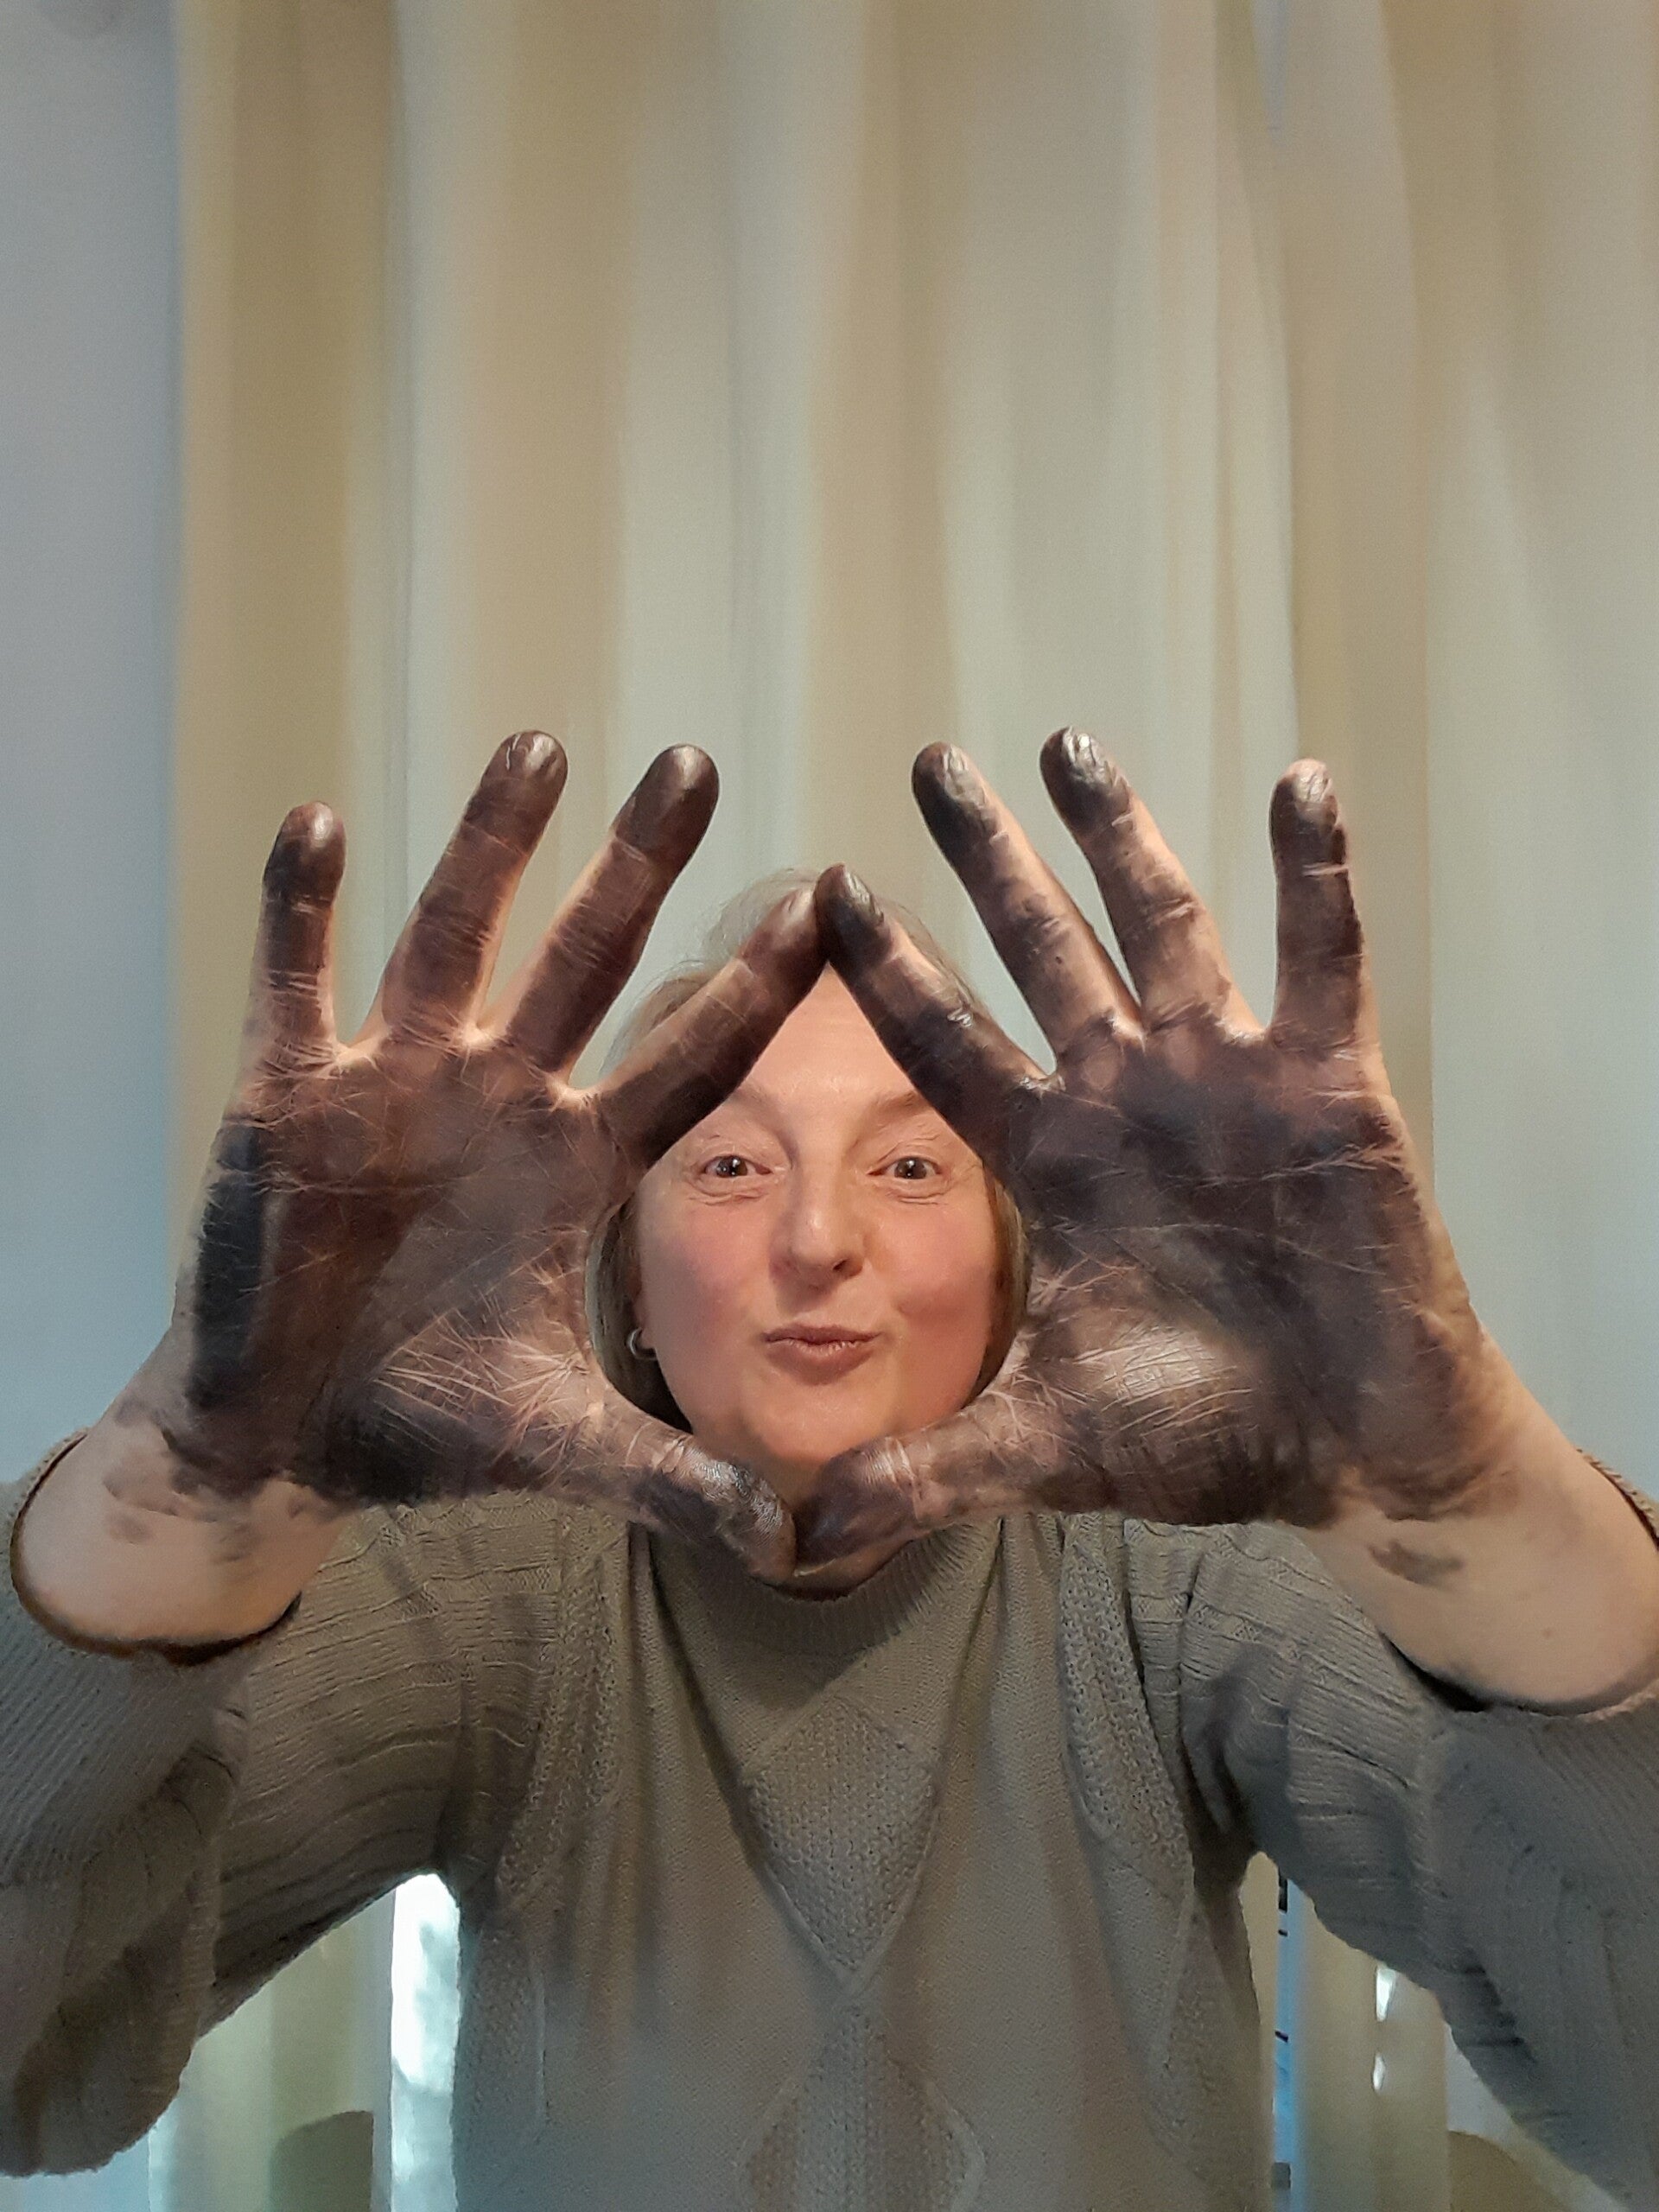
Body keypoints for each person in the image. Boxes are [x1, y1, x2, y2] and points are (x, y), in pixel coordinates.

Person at [3, 729, 1659, 2211]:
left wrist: (1470, 1500)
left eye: (914, 1166)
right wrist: (187, 1494)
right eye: (728, 1164)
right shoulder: (496, 1590)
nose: (817, 1238)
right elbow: (35, 2069)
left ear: (1023, 1270)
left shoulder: (1175, 1585)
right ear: (618, 1278)